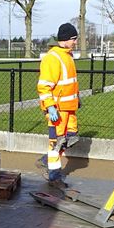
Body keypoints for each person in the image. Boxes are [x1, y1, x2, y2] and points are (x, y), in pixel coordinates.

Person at [36, 22, 81, 189]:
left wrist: (77, 98)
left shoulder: (67, 56)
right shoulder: (53, 58)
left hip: (70, 108)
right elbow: (44, 85)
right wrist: (50, 106)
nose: (76, 42)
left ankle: (45, 161)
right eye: (74, 39)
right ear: (65, 39)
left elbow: (70, 83)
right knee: (56, 144)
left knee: (71, 138)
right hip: (58, 110)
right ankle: (54, 177)